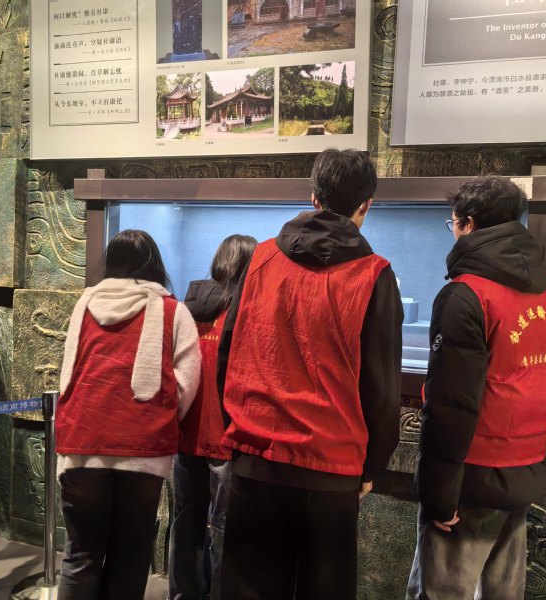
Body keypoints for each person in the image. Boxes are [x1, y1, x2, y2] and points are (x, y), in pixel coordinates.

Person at [217, 149, 403, 600]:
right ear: (366, 205)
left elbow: (227, 352)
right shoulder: (374, 275)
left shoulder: (261, 259)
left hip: (256, 460)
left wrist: (235, 431)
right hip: (331, 470)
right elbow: (382, 386)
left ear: (313, 197)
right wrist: (372, 465)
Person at [406, 177, 546, 600]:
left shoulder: (466, 295)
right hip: (523, 469)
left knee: (441, 591)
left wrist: (439, 494)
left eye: (453, 223)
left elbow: (452, 403)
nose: (453, 232)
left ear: (469, 224)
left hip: (472, 476)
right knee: (503, 592)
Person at [55, 229, 201, 600]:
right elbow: (186, 384)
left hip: (82, 446)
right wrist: (157, 417)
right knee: (130, 557)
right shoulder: (173, 311)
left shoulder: (84, 303)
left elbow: (68, 372)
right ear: (155, 265)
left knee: (80, 556)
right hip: (143, 452)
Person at [169, 234, 258, 600]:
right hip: (225, 437)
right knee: (224, 527)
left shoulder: (189, 308)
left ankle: (183, 594)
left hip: (186, 434)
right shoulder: (245, 310)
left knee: (185, 522)